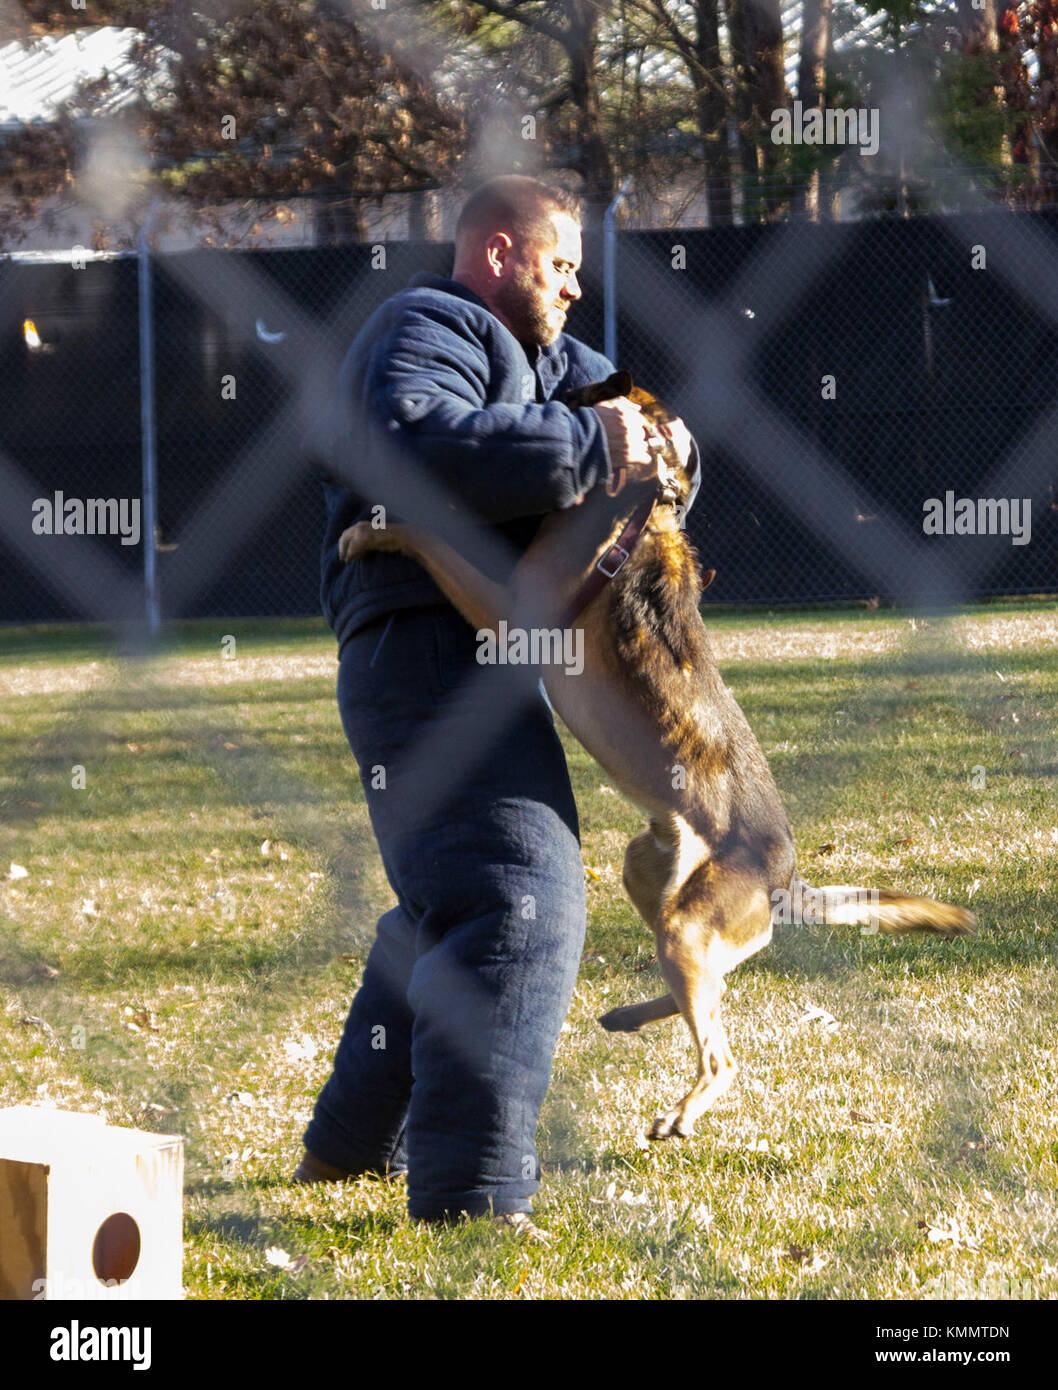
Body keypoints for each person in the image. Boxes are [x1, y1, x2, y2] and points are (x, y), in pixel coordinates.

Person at [296, 175, 698, 1236]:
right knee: (516, 892)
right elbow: (408, 439)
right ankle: (472, 1196)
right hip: (417, 649)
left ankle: (345, 1148)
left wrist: (669, 449)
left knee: (448, 904)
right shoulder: (425, 324)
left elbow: (643, 420)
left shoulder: (557, 365)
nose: (573, 287)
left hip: (489, 654)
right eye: (560, 266)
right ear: (502, 252)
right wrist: (591, 449)